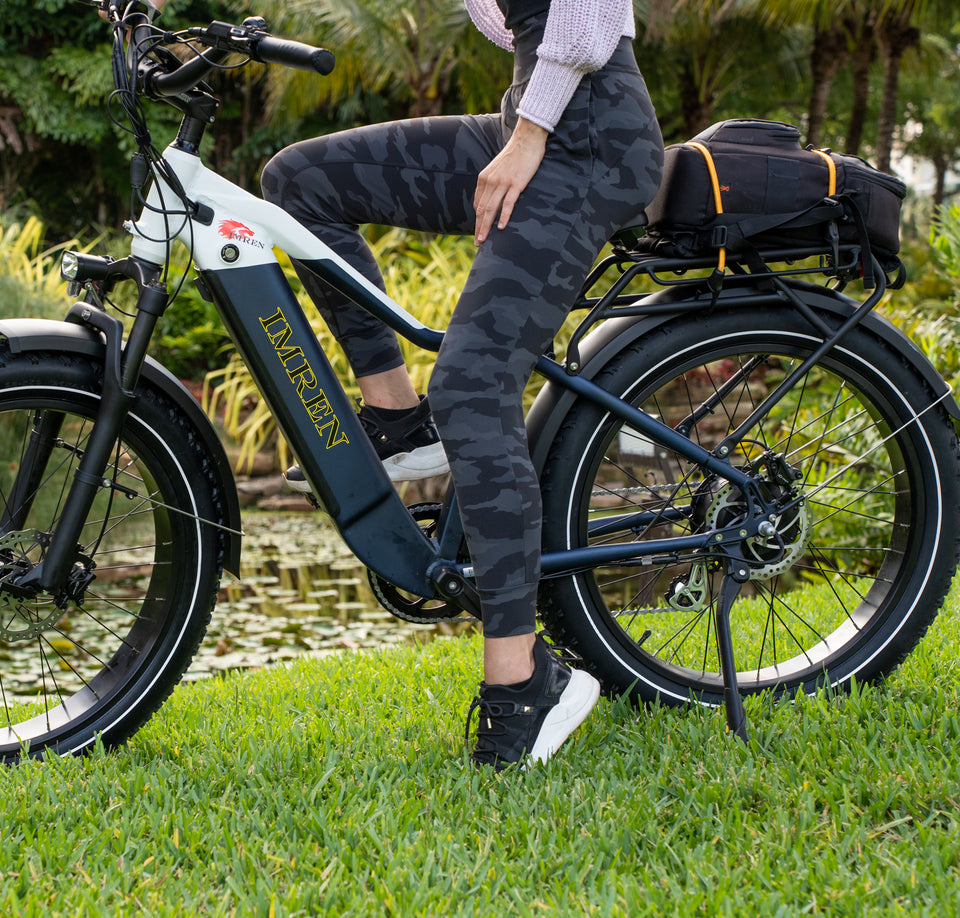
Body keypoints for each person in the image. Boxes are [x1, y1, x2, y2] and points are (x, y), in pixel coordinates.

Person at [261, 0, 664, 770]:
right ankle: (398, 420)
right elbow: (513, 25)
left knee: (475, 386)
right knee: (301, 181)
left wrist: (527, 137)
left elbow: (584, 26)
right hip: (536, 114)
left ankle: (523, 684)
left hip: (586, 141)